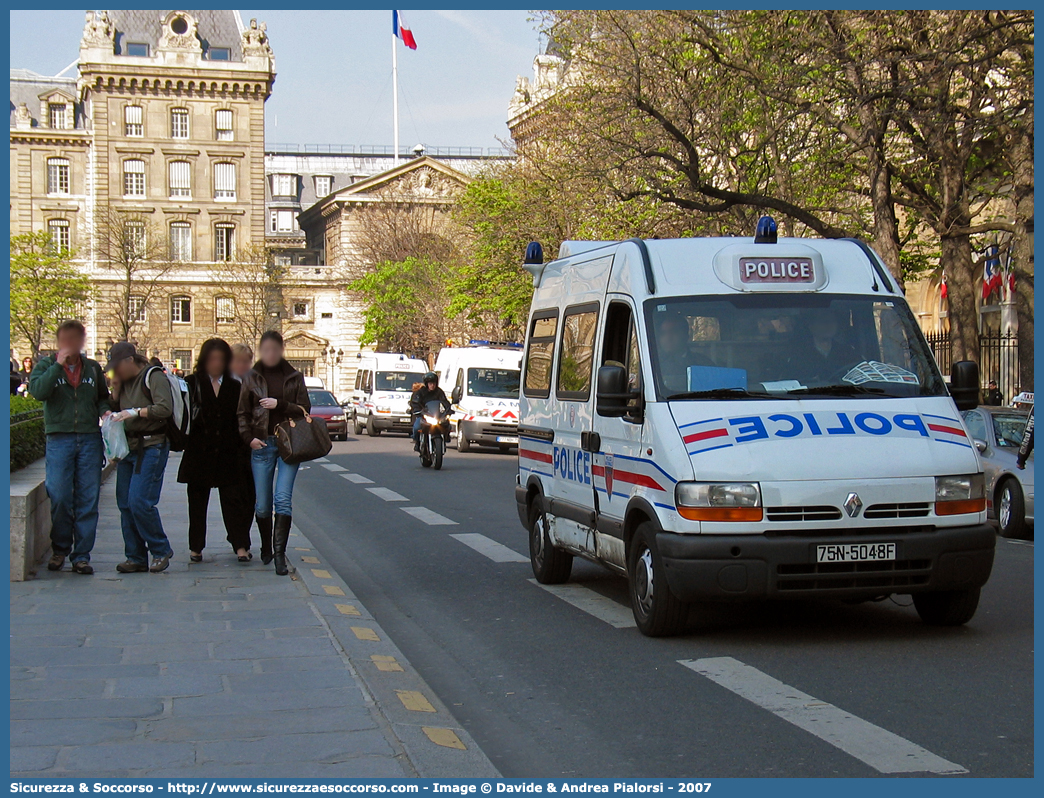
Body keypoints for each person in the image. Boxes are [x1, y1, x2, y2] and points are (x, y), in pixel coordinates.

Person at [27, 321, 109, 575]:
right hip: (59, 439)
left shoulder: (92, 368)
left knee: (88, 498)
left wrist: (105, 412)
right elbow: (38, 391)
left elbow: (102, 396)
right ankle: (60, 548)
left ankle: (81, 555)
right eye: (67, 339)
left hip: (88, 439)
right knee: (60, 495)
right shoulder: (46, 366)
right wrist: (57, 366)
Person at [237, 331, 310, 576]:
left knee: (282, 499)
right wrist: (249, 439)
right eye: (265, 349)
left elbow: (304, 410)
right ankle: (266, 546)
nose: (270, 354)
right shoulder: (251, 377)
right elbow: (242, 413)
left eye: (274, 349)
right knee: (263, 505)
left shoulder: (294, 376)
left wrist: (280, 405)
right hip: (262, 444)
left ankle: (280, 555)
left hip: (289, 444)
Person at [177, 339, 253, 563]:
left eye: (221, 359)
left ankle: (240, 546)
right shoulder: (191, 383)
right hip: (199, 453)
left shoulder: (235, 385)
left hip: (228, 453)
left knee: (233, 503)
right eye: (212, 358)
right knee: (197, 503)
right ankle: (196, 547)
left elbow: (242, 418)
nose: (216, 363)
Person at [105, 342, 175, 574]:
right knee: (124, 503)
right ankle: (135, 556)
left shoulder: (153, 376)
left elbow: (164, 408)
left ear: (129, 361)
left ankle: (160, 549)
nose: (115, 371)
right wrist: (115, 391)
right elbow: (115, 407)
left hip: (151, 445)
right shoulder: (122, 382)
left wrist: (135, 412)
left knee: (139, 501)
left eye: (117, 367)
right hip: (129, 447)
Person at [790, 307, 858, 383]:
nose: (828, 324)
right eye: (822, 321)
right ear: (811, 326)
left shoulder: (848, 352)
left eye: (832, 321)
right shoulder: (798, 355)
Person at [410, 371, 451, 452]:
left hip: (437, 415)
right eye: (430, 383)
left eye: (434, 383)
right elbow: (415, 401)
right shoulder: (421, 392)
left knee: (447, 424)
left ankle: (445, 438)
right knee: (417, 427)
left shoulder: (439, 392)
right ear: (426, 383)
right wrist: (417, 410)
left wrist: (448, 410)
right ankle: (417, 442)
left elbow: (445, 402)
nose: (432, 385)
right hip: (424, 415)